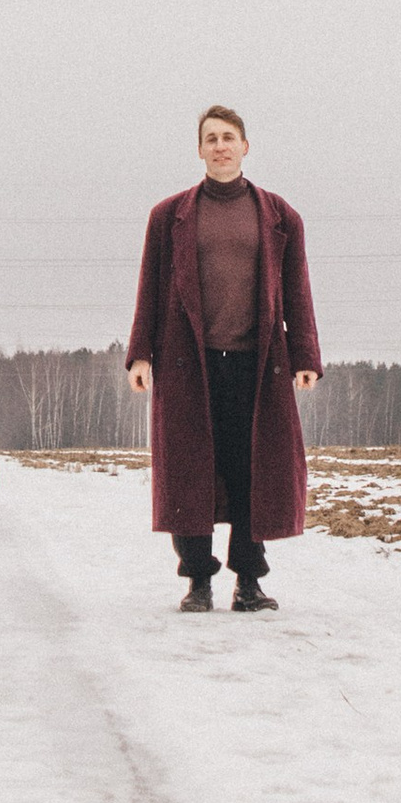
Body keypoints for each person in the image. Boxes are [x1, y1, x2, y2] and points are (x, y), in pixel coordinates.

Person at [125, 106, 322, 612]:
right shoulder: (168, 217)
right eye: (210, 138)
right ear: (199, 150)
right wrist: (141, 355)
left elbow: (297, 292)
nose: (220, 146)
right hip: (189, 364)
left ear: (245, 146)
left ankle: (249, 582)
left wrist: (305, 354)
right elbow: (150, 288)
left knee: (250, 470)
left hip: (258, 365)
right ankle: (198, 582)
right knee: (191, 471)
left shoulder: (280, 216)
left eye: (228, 137)